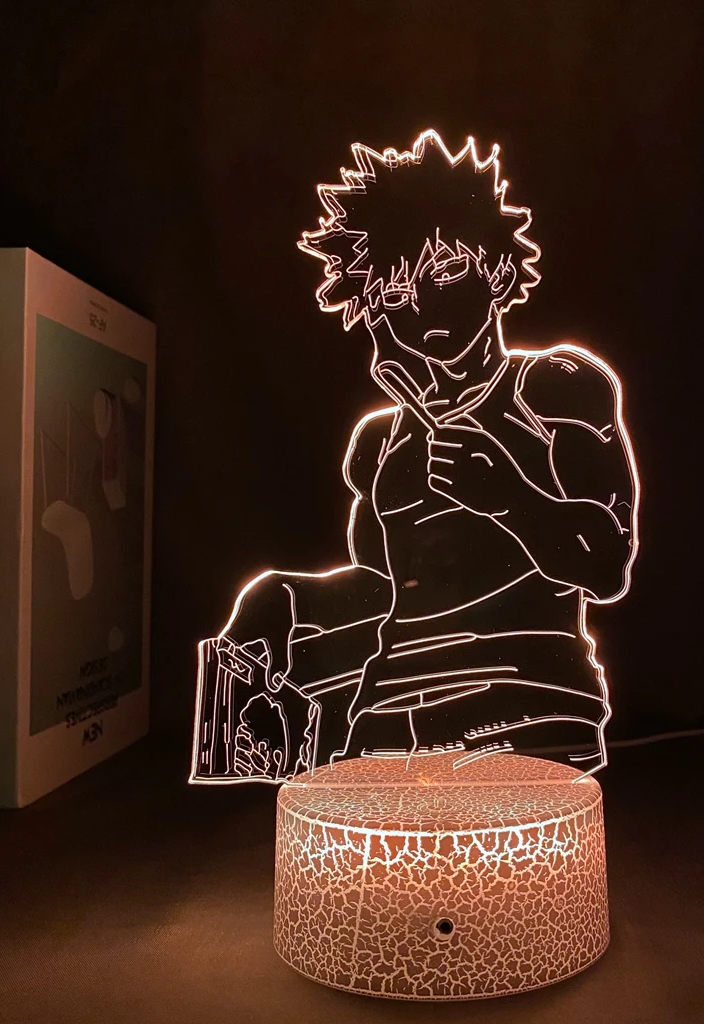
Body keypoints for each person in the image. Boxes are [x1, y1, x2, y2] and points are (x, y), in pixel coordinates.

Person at [190, 130, 640, 784]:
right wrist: (281, 598)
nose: (426, 307)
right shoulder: (379, 440)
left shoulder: (554, 387)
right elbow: (387, 591)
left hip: (527, 705)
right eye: (397, 297)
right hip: (388, 718)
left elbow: (606, 565)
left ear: (497, 271)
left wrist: (510, 497)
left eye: (446, 274)